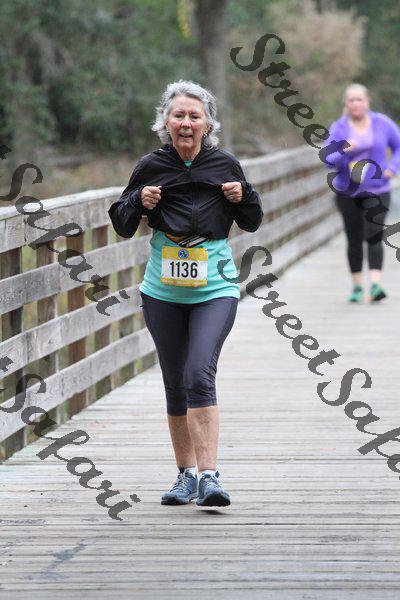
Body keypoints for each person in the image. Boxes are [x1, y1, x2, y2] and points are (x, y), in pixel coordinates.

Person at [108, 80, 263, 507]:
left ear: (208, 124)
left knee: (198, 374)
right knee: (175, 382)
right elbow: (121, 222)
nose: (186, 123)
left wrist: (243, 195)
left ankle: (210, 476)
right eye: (178, 115)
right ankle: (186, 476)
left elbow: (251, 220)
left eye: (195, 116)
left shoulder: (225, 164)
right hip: (162, 291)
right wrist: (138, 201)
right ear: (165, 122)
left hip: (215, 287)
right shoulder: (151, 166)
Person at [326, 83, 400, 303]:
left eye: (359, 99)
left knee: (374, 234)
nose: (355, 103)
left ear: (367, 101)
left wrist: (392, 168)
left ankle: (375, 286)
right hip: (347, 192)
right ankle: (358, 286)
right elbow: (327, 159)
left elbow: (398, 146)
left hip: (378, 188)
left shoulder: (382, 123)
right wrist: (342, 151)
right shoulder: (339, 127)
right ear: (346, 104)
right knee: (354, 237)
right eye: (351, 100)